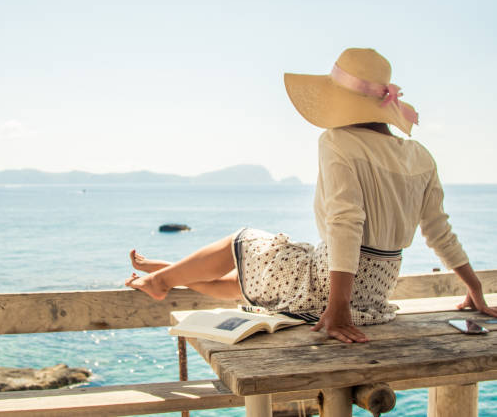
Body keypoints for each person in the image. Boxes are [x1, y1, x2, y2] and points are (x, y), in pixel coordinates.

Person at [125, 48, 497, 344]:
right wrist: (474, 287)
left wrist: (339, 306)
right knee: (241, 284)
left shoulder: (338, 142)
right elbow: (438, 230)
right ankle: (167, 275)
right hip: (374, 293)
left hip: (335, 285)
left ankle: (163, 279)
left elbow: (345, 225)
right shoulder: (420, 156)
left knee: (241, 240)